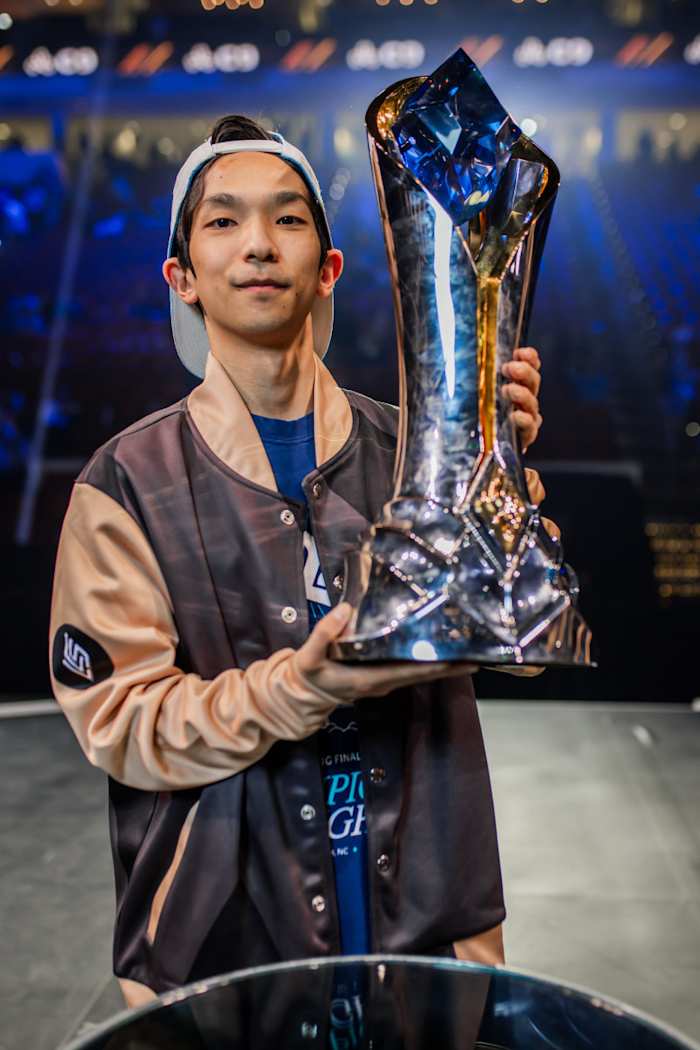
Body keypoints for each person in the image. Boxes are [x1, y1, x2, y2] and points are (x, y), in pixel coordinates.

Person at [49, 114, 552, 1008]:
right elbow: (122, 724)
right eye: (223, 221)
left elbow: (515, 642)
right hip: (227, 946)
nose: (258, 244)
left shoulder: (414, 451)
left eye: (288, 218)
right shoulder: (127, 482)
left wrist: (494, 477)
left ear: (328, 269)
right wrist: (305, 685)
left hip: (425, 920)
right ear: (182, 277)